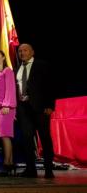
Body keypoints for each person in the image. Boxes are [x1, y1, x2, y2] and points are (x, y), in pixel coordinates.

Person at [16, 43, 56, 178]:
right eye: (20, 51)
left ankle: (49, 169)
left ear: (32, 52)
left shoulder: (41, 65)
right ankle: (30, 169)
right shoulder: (17, 68)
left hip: (40, 108)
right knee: (27, 139)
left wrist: (50, 105)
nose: (22, 53)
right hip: (23, 108)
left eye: (25, 50)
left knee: (44, 137)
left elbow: (50, 85)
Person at [0, 49, 17, 176]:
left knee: (5, 135)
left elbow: (11, 88)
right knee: (3, 135)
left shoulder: (7, 71)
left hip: (6, 107)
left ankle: (7, 164)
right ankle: (9, 164)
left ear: (3, 57)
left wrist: (7, 104)